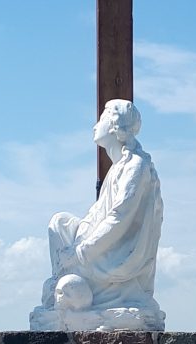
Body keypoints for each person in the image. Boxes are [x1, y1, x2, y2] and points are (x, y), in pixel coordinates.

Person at [32, 99, 164, 331]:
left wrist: (80, 250)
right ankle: (65, 282)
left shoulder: (136, 166)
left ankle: (72, 288)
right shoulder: (119, 167)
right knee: (60, 222)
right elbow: (96, 215)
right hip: (100, 244)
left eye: (102, 119)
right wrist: (78, 239)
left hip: (116, 253)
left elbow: (119, 218)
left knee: (68, 248)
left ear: (114, 126)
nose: (96, 125)